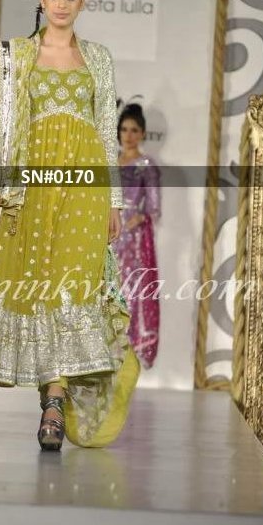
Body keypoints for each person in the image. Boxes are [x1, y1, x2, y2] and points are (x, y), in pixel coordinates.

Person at [0, 0, 140, 451]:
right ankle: (49, 396)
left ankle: (55, 404)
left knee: (70, 288)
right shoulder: (17, 54)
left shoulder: (98, 58)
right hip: (33, 186)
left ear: (83, 1)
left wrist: (114, 200)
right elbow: (3, 123)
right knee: (38, 286)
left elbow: (105, 132)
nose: (61, 5)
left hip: (84, 189)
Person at [111, 104, 161, 368]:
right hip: (107, 235)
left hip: (132, 240)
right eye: (124, 129)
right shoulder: (110, 163)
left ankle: (127, 356)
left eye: (133, 130)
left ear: (142, 133)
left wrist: (136, 219)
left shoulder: (146, 165)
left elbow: (154, 207)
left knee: (130, 291)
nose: (128, 135)